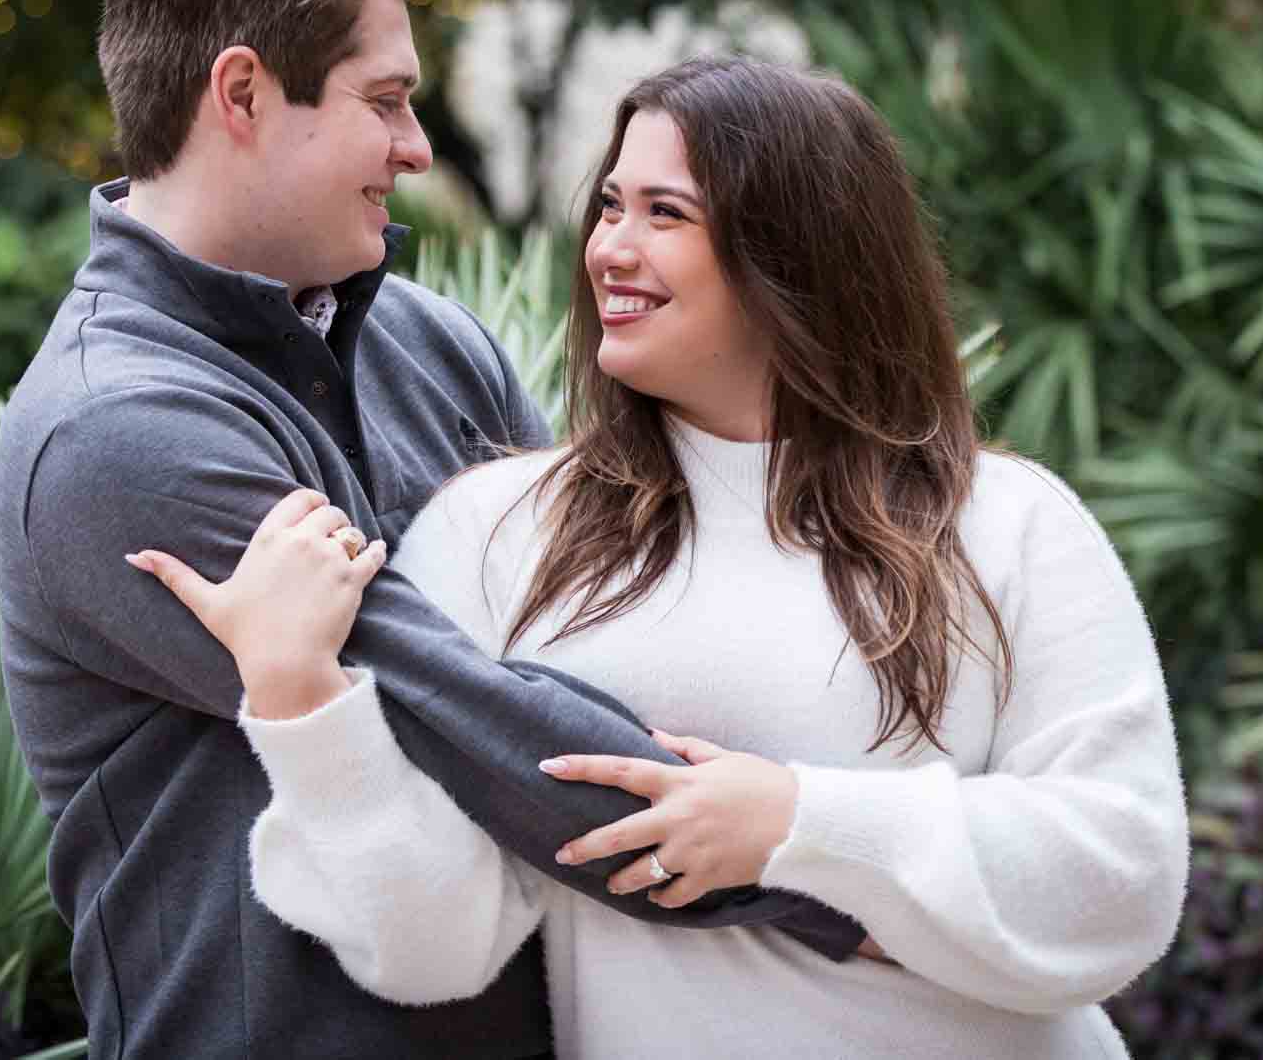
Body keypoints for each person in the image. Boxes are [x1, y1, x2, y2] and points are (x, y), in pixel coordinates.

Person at [134, 56, 1191, 1058]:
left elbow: (1121, 878)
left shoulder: (1006, 522)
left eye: (664, 213)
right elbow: (432, 950)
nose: (610, 249)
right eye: (608, 205)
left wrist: (799, 821)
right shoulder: (499, 534)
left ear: (796, 256)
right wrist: (301, 703)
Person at [0, 0, 864, 1059]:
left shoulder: (432, 342)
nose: (416, 147)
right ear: (241, 94)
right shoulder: (112, 431)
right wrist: (850, 893)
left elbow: (598, 636)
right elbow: (476, 727)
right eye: (385, 101)